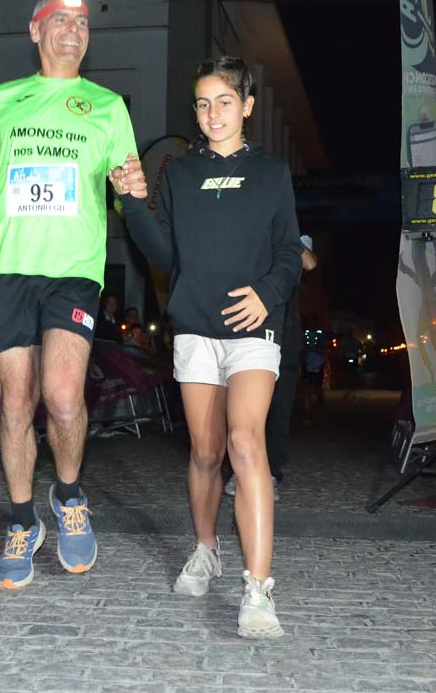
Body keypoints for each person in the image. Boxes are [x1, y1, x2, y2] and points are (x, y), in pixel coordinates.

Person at [0, 0, 138, 589]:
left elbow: (127, 189)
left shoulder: (108, 108)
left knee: (65, 397)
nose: (73, 30)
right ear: (35, 30)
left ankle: (69, 496)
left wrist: (134, 189)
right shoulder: (0, 102)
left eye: (82, 22)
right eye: (60, 20)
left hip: (74, 269)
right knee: (16, 402)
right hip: (8, 269)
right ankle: (22, 521)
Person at [112, 56, 300, 639]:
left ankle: (258, 591)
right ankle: (206, 548)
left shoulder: (271, 172)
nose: (213, 113)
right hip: (195, 326)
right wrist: (130, 203)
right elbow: (165, 255)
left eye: (224, 101)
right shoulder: (182, 173)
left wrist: (268, 294)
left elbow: (289, 252)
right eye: (202, 103)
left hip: (253, 329)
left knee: (245, 441)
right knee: (205, 452)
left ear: (247, 106)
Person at [225, 234, 317, 499]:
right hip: (250, 332)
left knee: (279, 408)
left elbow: (310, 263)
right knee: (244, 408)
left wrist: (284, 232)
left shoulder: (293, 237)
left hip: (285, 335)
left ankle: (271, 472)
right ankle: (238, 470)